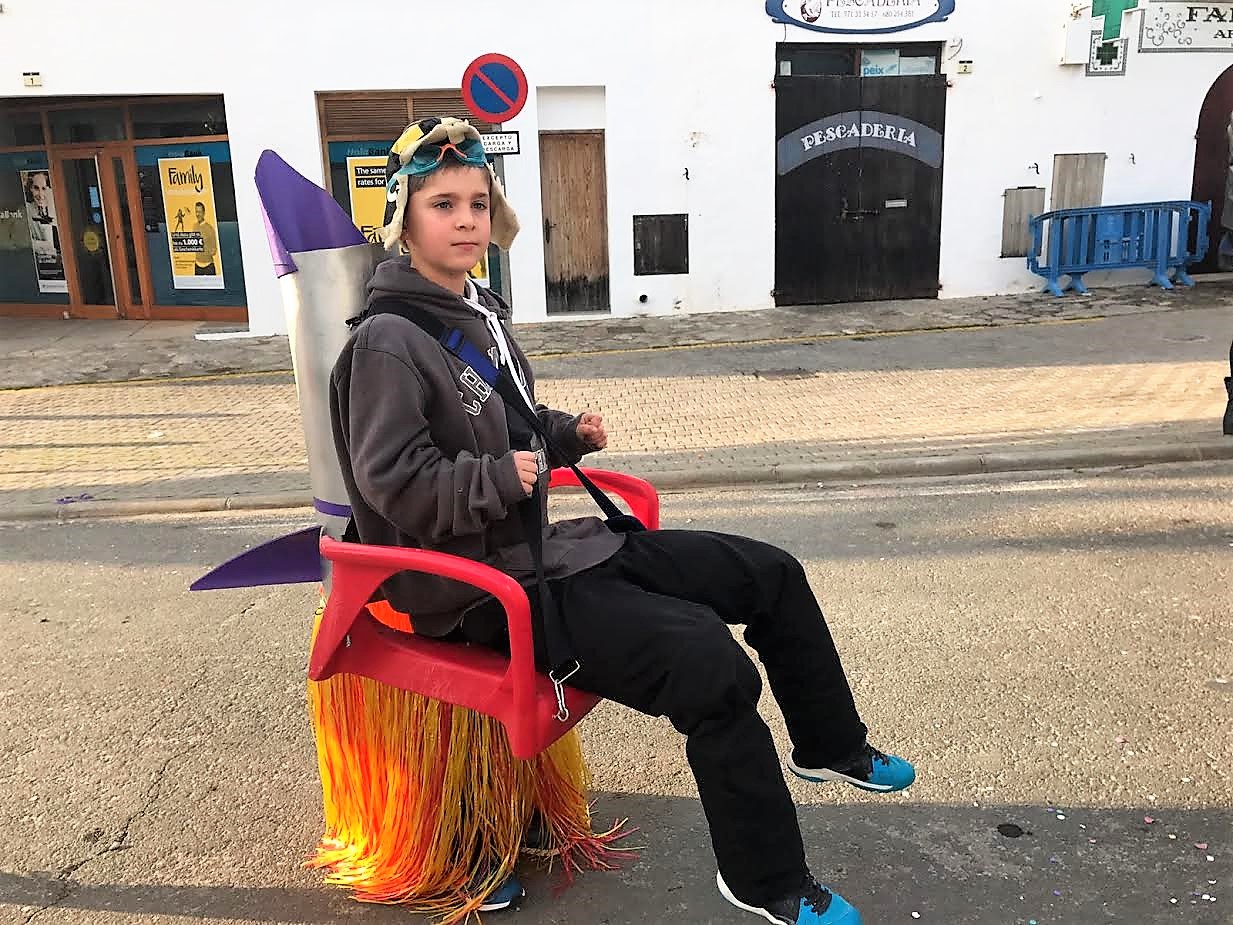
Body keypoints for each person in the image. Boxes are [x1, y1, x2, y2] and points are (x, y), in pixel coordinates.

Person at [330, 117, 915, 925]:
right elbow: (391, 480)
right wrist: (497, 477)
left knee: (770, 572)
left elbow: (506, 424)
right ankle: (765, 879)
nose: (465, 220)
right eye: (442, 205)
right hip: (484, 589)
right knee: (708, 665)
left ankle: (829, 744)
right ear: (404, 219)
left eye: (476, 202)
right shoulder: (388, 342)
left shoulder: (475, 311)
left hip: (549, 553)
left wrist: (562, 433)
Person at [193, 201, 219, 275]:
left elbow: (214, 251)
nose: (197, 214)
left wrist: (205, 250)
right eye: (196, 212)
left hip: (208, 267)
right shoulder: (194, 226)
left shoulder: (210, 229)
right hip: (197, 266)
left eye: (200, 212)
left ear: (204, 213)